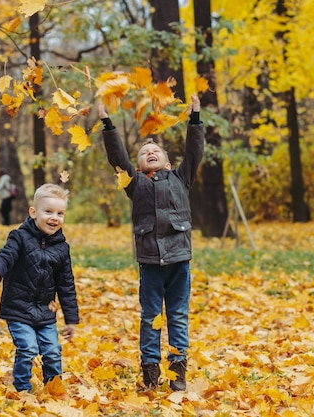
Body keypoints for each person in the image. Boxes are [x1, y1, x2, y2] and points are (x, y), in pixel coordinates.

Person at [98, 94, 203, 391]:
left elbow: (194, 151)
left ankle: (178, 373)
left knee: (178, 317)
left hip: (179, 262)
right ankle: (150, 374)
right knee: (151, 318)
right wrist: (108, 124)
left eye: (156, 150)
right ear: (139, 165)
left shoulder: (181, 178)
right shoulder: (135, 183)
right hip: (151, 266)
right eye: (145, 152)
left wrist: (194, 117)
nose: (151, 152)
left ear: (169, 162)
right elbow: (118, 158)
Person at [0, 183, 79, 393]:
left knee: (53, 351)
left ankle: (53, 388)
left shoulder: (62, 248)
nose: (54, 217)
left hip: (45, 312)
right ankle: (21, 389)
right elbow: (5, 256)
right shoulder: (19, 237)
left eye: (60, 213)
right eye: (48, 211)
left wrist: (71, 320)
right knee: (27, 348)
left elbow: (66, 285)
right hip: (18, 309)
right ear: (33, 212)